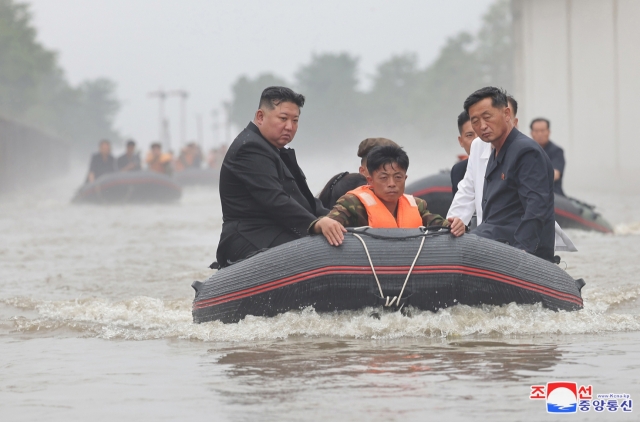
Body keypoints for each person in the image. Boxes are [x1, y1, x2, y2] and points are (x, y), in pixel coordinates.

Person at [215, 86, 329, 267]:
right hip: (249, 238)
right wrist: (314, 224)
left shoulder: (275, 151)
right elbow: (274, 199)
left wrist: (335, 218)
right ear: (260, 117)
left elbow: (303, 199)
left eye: (295, 120)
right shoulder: (249, 148)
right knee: (322, 252)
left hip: (275, 231)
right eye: (283, 118)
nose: (290, 127)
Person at [463, 86, 555, 261]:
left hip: (515, 250)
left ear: (506, 114)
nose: (482, 126)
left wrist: (522, 252)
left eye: (487, 117)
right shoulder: (496, 153)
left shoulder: (526, 152)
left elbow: (536, 207)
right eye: (475, 121)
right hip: (492, 241)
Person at [311, 145, 465, 246]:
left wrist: (454, 225)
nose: (392, 183)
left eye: (398, 177)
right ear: (370, 180)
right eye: (384, 178)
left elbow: (439, 224)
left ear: (405, 178)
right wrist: (320, 223)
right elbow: (330, 223)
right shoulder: (352, 203)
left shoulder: (417, 205)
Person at [530, 118, 565, 196]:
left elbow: (555, 174)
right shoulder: (526, 151)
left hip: (554, 195)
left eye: (542, 131)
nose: (540, 134)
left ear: (548, 132)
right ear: (531, 133)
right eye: (536, 131)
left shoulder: (557, 151)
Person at [450, 111, 477, 195]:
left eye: (480, 134)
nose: (476, 140)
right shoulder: (458, 171)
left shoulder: (504, 164)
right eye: (469, 135)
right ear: (461, 141)